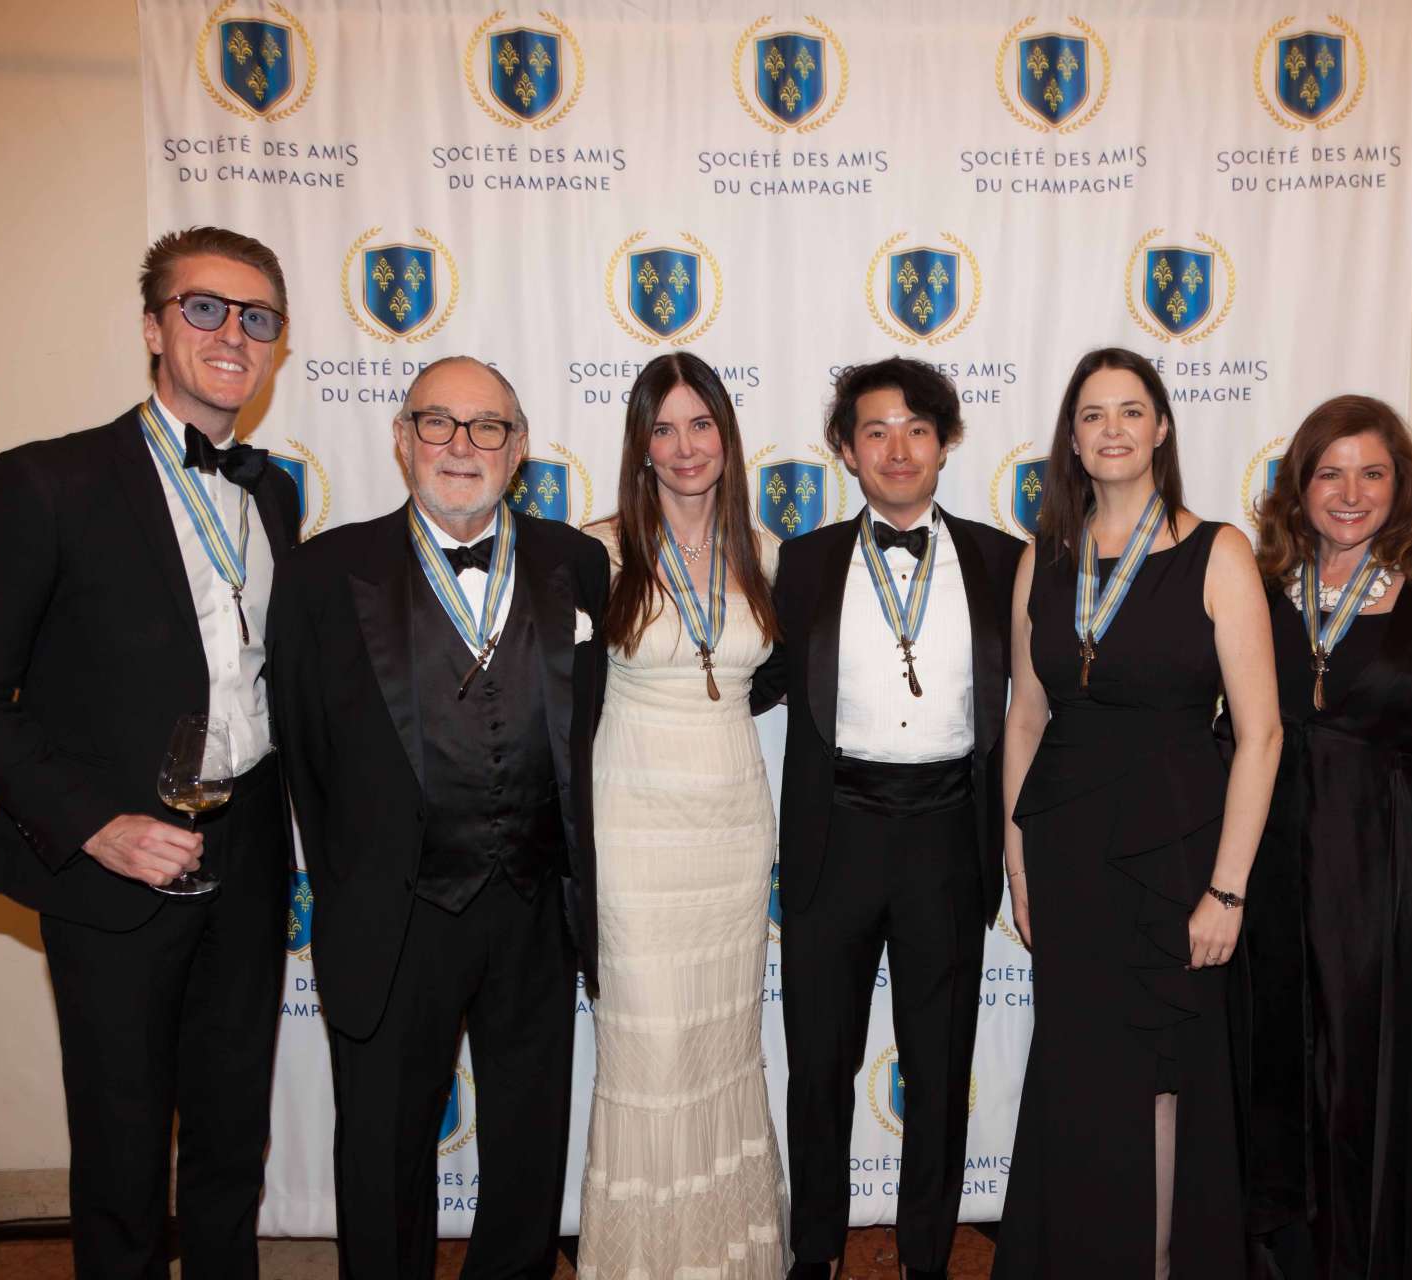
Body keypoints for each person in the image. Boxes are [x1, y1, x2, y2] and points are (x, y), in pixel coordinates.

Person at [0, 227, 298, 1278]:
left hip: (248, 852)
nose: (233, 333)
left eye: (258, 317)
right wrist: (96, 825)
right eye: (204, 308)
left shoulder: (274, 493)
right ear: (152, 327)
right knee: (123, 1151)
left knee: (232, 1135)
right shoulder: (48, 480)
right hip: (114, 866)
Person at [267, 357, 609, 1280]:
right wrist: (359, 882)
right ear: (401, 437)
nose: (462, 445)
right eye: (437, 422)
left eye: (487, 426)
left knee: (530, 1143)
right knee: (382, 1150)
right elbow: (303, 755)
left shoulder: (576, 562)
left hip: (536, 904)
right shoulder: (322, 574)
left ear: (519, 448)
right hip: (395, 911)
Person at [992, 348, 1281, 1279]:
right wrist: (1017, 863)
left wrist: (1227, 891)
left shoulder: (1217, 551)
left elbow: (1262, 734)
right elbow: (1025, 718)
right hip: (1066, 856)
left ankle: (1157, 1265)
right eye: (1091, 415)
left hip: (1175, 857)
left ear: (1161, 428)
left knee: (1163, 1079)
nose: (1111, 429)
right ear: (1072, 441)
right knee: (1082, 1078)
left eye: (1129, 410)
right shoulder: (1043, 559)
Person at [1230, 395, 1412, 1280]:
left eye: (1372, 473)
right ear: (1299, 488)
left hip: (1400, 894)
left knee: (1385, 1090)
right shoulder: (1258, 594)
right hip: (1280, 887)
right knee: (1289, 1080)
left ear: (1403, 486)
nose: (1351, 493)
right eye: (1330, 473)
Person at [752, 357, 1021, 1280]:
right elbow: (751, 676)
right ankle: (817, 1249)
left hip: (949, 832)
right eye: (875, 431)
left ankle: (926, 1256)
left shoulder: (1002, 560)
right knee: (818, 1063)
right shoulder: (802, 563)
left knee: (940, 1068)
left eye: (916, 429)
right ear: (845, 449)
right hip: (834, 832)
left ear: (945, 444)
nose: (897, 449)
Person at [576, 353, 788, 1277]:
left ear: (727, 436)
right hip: (632, 826)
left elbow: (775, 679)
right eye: (662, 428)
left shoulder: (765, 553)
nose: (685, 446)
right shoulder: (596, 552)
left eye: (701, 424)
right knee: (651, 1049)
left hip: (732, 824)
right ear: (640, 445)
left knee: (720, 1043)